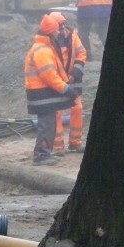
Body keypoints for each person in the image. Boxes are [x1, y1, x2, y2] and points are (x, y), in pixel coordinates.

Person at [24, 15, 78, 166]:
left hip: (41, 94)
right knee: (46, 125)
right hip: (41, 94)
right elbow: (49, 76)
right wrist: (66, 89)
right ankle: (41, 155)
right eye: (56, 31)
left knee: (49, 123)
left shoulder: (44, 48)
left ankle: (44, 153)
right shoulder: (43, 50)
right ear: (51, 33)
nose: (59, 33)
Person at [49, 12, 87, 154]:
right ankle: (58, 147)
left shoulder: (73, 37)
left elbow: (81, 54)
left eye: (64, 25)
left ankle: (75, 143)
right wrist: (59, 79)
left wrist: (75, 73)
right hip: (57, 83)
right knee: (57, 112)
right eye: (60, 26)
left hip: (72, 81)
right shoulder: (48, 42)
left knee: (77, 108)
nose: (63, 28)